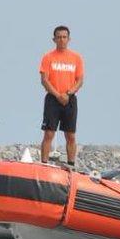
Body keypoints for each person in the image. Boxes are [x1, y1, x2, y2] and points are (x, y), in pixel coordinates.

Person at [39, 25, 84, 167]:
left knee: (70, 135)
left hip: (69, 99)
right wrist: (58, 95)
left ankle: (71, 165)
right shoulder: (48, 57)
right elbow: (44, 80)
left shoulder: (76, 58)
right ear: (54, 39)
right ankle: (44, 163)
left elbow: (80, 80)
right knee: (49, 133)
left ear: (69, 39)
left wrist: (68, 93)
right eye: (59, 37)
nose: (62, 40)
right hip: (53, 99)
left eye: (64, 37)